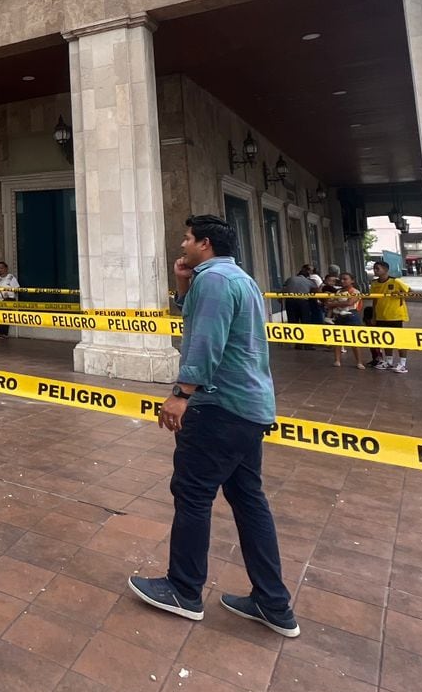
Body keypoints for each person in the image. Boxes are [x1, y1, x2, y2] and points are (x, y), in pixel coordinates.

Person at [128, 214, 299, 638]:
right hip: (248, 408)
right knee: (248, 500)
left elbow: (205, 340)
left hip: (219, 406)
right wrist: (183, 284)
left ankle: (184, 589)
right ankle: (272, 602)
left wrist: (181, 393)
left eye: (187, 239)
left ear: (204, 243)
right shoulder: (236, 278)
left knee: (192, 494)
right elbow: (201, 319)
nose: (182, 245)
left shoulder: (215, 281)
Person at [368, 260, 411, 372]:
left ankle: (402, 364)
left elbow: (410, 291)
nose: (375, 270)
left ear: (386, 270)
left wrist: (401, 294)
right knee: (386, 339)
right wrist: (374, 316)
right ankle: (388, 361)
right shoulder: (374, 283)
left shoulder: (396, 281)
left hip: (395, 315)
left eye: (378, 268)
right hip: (381, 316)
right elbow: (374, 300)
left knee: (399, 339)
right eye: (374, 268)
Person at [0, 260, 19, 337]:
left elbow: (17, 289)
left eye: (2, 268)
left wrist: (9, 293)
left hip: (7, 300)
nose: (0, 270)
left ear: (6, 268)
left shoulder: (10, 277)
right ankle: (1, 333)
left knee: (4, 316)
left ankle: (5, 333)